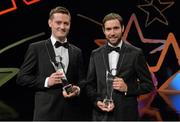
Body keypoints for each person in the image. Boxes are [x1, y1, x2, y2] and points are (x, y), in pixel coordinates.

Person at [16, 6, 86, 120]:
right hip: (46, 114)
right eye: (58, 22)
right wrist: (47, 81)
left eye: (66, 23)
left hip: (71, 114)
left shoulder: (77, 51)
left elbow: (82, 80)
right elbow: (22, 78)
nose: (62, 27)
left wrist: (78, 90)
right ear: (50, 23)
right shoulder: (36, 48)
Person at [86, 13, 155, 121]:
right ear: (104, 31)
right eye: (108, 29)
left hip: (127, 116)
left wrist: (127, 88)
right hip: (101, 117)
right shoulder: (95, 54)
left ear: (122, 28)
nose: (112, 33)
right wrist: (97, 101)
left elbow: (148, 85)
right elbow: (89, 85)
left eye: (116, 28)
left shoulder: (136, 53)